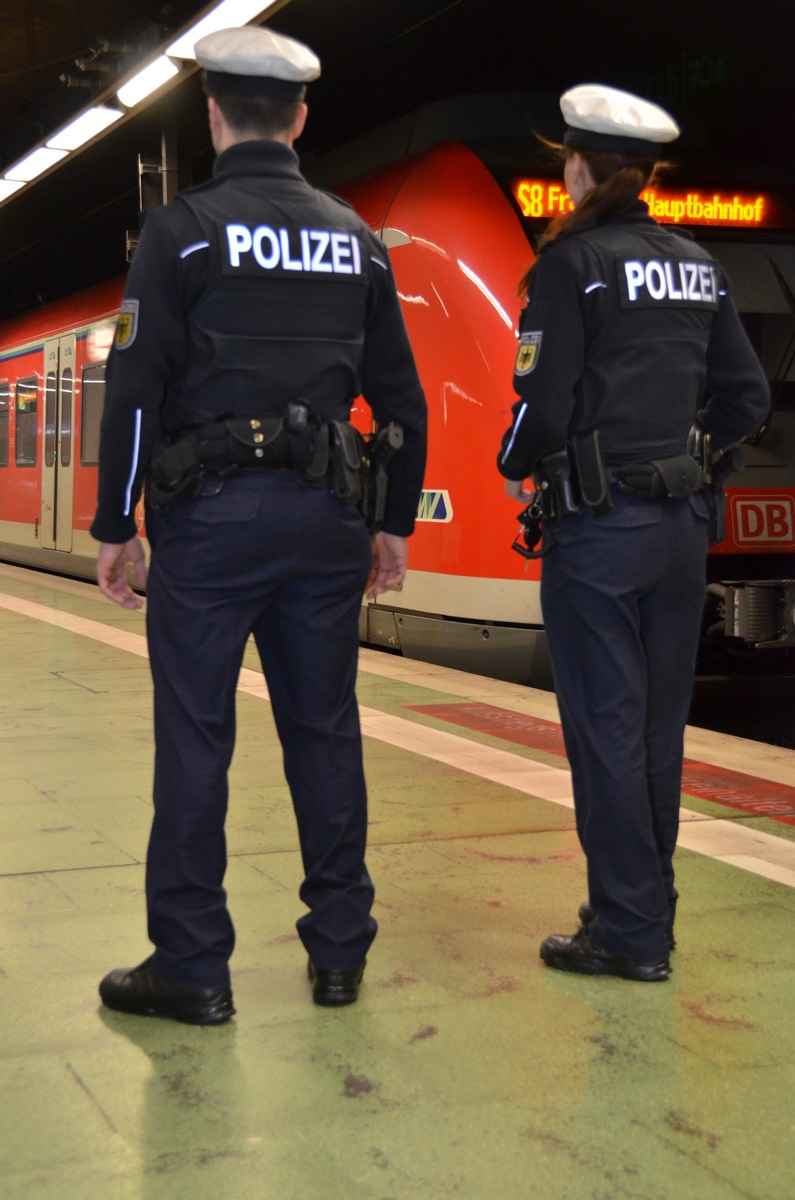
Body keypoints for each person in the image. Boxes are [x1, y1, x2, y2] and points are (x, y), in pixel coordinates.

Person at [91, 25, 427, 1023]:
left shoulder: (182, 231)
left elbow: (137, 390)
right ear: (301, 117)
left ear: (212, 114)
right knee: (324, 733)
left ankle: (192, 966)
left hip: (213, 523)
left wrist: (117, 522)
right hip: (327, 519)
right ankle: (338, 954)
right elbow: (401, 398)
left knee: (197, 738)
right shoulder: (355, 238)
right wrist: (390, 520)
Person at [498, 84, 770, 982]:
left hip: (598, 531)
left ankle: (626, 931)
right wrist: (697, 463)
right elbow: (746, 399)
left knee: (604, 732)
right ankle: (646, 907)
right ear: (649, 176)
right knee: (657, 732)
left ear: (577, 167)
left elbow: (538, 414)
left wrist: (513, 462)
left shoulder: (571, 265)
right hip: (680, 531)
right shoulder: (697, 264)